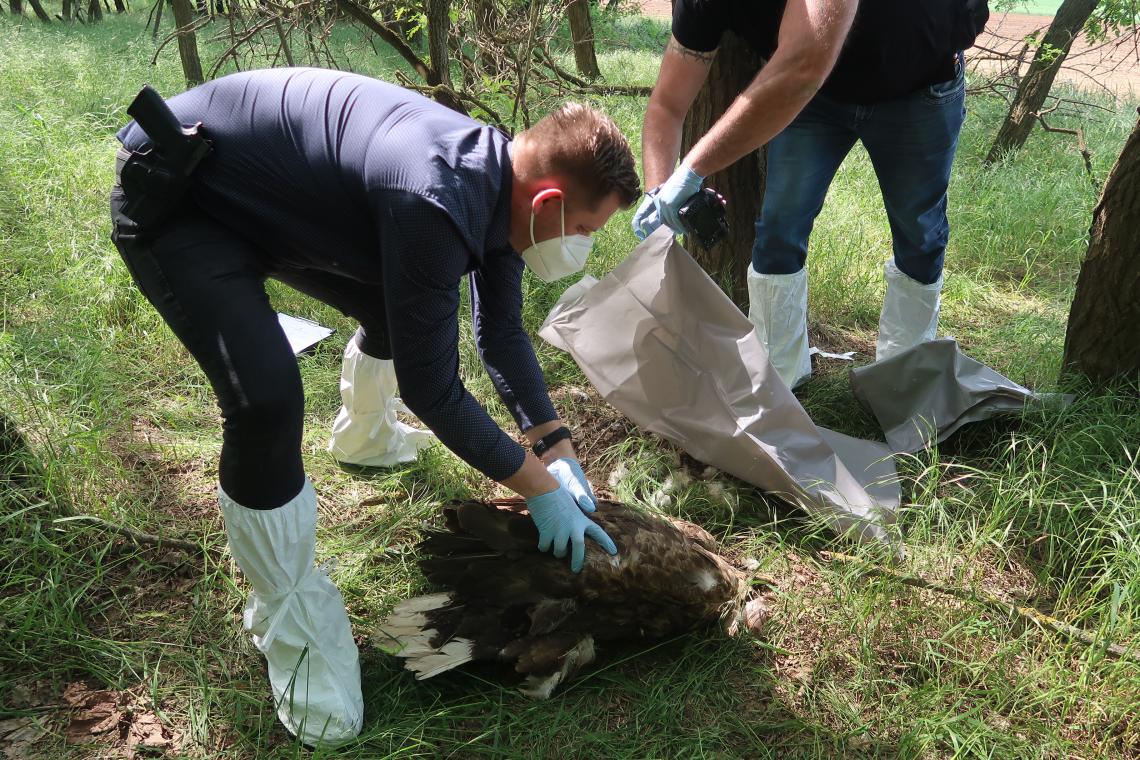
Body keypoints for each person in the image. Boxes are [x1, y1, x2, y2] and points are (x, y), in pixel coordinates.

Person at [109, 67, 639, 747]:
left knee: (405, 311)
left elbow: (501, 335)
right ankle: (289, 620)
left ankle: (362, 437)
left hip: (266, 198)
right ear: (548, 203)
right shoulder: (433, 197)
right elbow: (434, 388)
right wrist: (537, 488)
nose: (585, 243)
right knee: (267, 400)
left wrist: (557, 446)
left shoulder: (502, 190)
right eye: (588, 226)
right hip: (182, 194)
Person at [633, 0, 990, 388]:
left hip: (919, 84)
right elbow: (668, 105)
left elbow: (804, 67)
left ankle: (905, 383)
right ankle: (777, 383)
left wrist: (692, 169)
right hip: (812, 101)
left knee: (919, 234)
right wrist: (659, 189)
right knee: (778, 231)